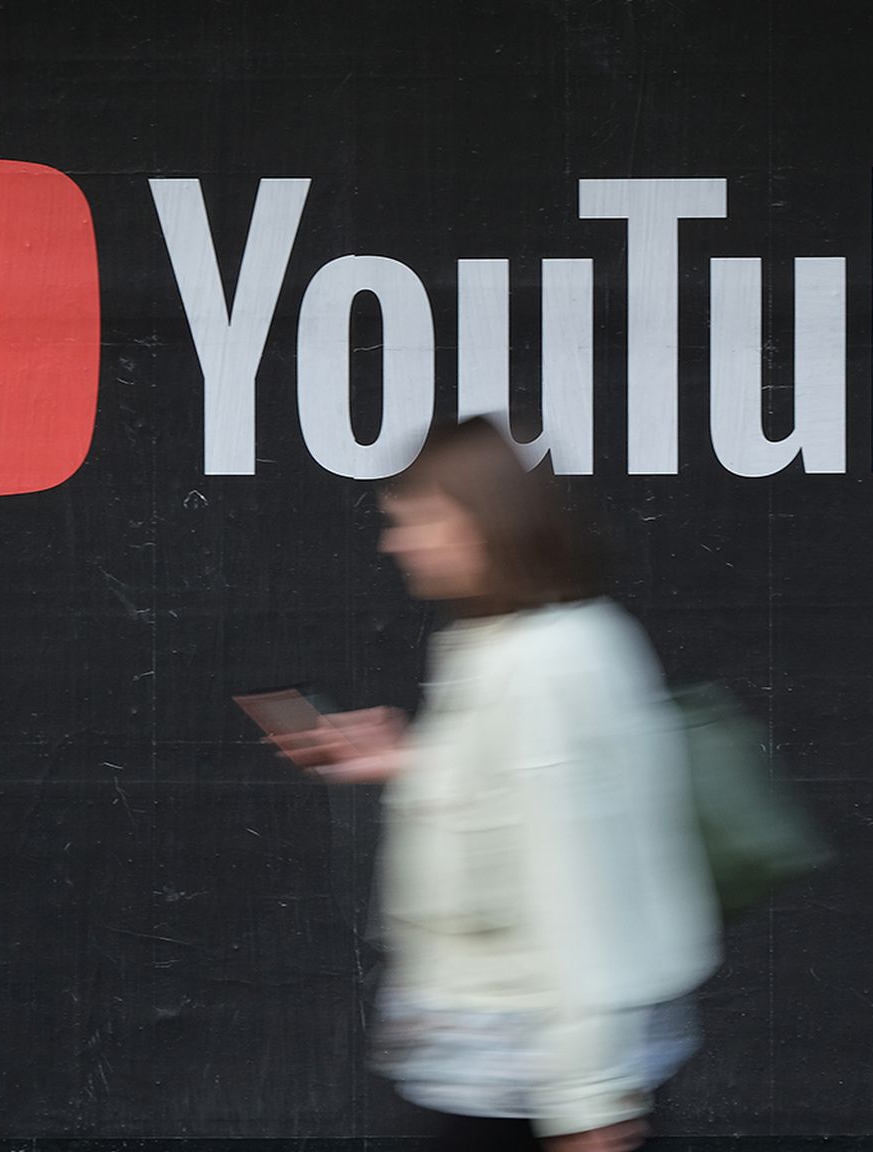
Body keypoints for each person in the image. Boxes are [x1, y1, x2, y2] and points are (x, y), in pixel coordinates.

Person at [269, 415, 722, 1152]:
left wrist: (589, 1101)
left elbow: (581, 887)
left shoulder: (540, 668)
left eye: (417, 520)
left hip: (529, 1083)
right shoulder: (514, 645)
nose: (397, 542)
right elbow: (523, 809)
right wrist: (414, 763)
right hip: (492, 1071)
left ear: (484, 522)